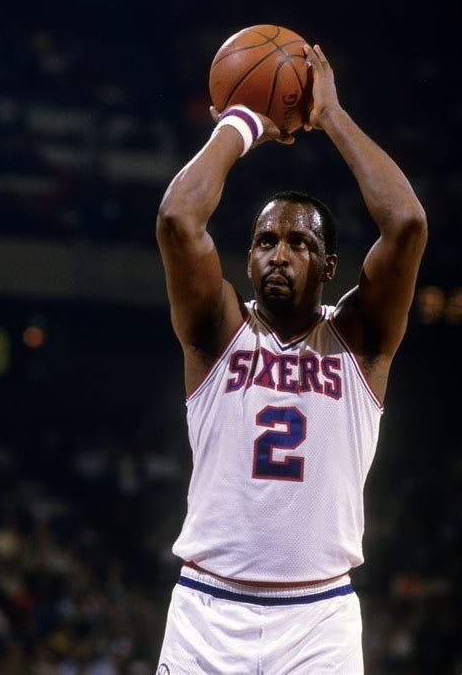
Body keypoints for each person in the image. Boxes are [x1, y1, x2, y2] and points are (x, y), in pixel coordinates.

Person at [155, 43, 427, 674]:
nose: (279, 253)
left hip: (319, 617)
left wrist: (329, 114)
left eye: (299, 242)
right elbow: (177, 218)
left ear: (330, 266)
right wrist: (243, 120)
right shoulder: (216, 329)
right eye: (265, 241)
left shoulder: (362, 338)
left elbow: (407, 223)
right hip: (206, 610)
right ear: (247, 259)